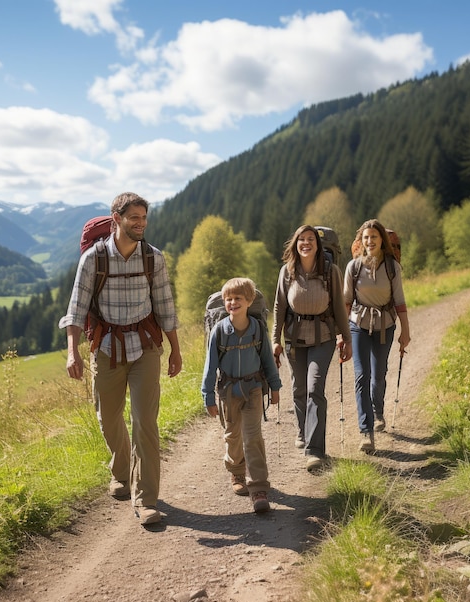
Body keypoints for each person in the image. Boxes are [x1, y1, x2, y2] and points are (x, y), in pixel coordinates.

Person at [59, 192, 182, 526]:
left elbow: (166, 307)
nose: (140, 223)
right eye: (134, 218)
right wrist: (73, 352)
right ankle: (121, 472)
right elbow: (75, 309)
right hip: (107, 349)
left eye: (144, 218)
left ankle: (146, 500)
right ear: (117, 218)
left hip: (145, 349)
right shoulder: (94, 260)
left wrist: (176, 350)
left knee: (145, 423)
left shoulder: (152, 258)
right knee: (108, 419)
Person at [272, 225, 352, 473]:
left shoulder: (331, 271)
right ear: (295, 245)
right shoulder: (287, 272)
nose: (306, 243)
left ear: (317, 245)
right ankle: (303, 430)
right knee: (298, 388)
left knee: (314, 388)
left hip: (324, 337)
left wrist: (346, 338)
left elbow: (339, 306)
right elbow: (279, 308)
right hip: (294, 338)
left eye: (310, 240)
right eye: (301, 240)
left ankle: (315, 451)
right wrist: (275, 339)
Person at [201, 277, 281, 514]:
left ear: (249, 301)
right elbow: (210, 366)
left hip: (254, 389)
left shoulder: (257, 329)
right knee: (233, 436)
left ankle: (258, 488)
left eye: (238, 298)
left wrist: (275, 388)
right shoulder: (219, 331)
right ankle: (237, 472)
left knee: (253, 436)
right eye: (228, 299)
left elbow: (267, 359)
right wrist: (208, 396)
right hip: (228, 392)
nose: (232, 303)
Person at [343, 219, 411, 453]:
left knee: (379, 374)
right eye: (366, 237)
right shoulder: (353, 267)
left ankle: (378, 411)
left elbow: (400, 302)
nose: (370, 241)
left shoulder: (392, 267)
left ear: (382, 240)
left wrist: (406, 331)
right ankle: (366, 432)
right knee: (362, 375)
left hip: (385, 325)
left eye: (374, 237)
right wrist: (342, 335)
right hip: (358, 325)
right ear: (360, 241)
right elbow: (346, 302)